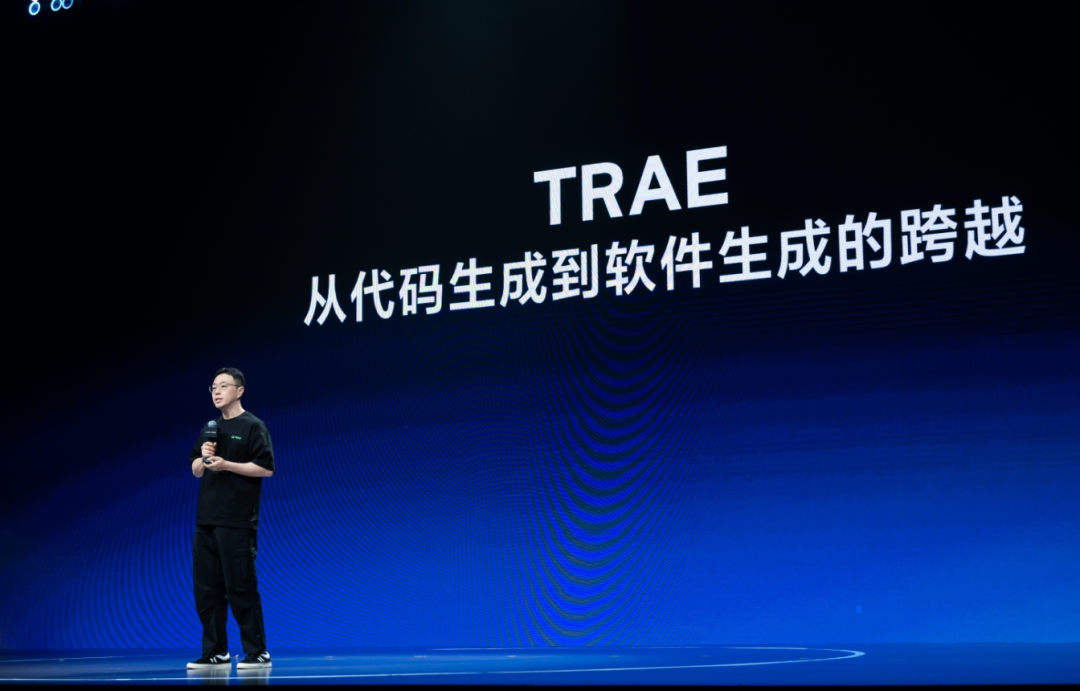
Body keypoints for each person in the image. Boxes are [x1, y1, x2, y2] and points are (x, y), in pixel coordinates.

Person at [186, 367, 275, 671]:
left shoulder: (253, 426)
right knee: (207, 590)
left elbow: (266, 468)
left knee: (240, 587)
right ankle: (216, 652)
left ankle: (257, 651)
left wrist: (227, 465)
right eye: (213, 387)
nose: (216, 391)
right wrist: (204, 457)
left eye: (223, 386)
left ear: (239, 390)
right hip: (206, 521)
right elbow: (196, 469)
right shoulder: (209, 428)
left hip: (236, 520)